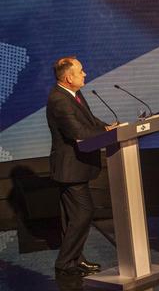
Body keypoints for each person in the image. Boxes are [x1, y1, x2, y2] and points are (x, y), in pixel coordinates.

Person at [46, 56, 117, 276]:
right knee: (83, 213)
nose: (85, 74)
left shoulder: (73, 94)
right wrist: (109, 134)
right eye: (81, 71)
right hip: (70, 168)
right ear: (68, 78)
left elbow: (89, 120)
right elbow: (78, 133)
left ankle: (75, 260)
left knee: (73, 216)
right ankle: (65, 262)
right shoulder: (59, 100)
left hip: (77, 167)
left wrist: (109, 127)